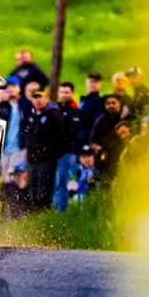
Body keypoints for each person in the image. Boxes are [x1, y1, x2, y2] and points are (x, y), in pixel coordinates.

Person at [21, 88, 65, 210]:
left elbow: (61, 135)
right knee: (33, 186)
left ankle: (44, 210)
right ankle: (34, 211)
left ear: (47, 99)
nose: (38, 100)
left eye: (41, 97)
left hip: (46, 159)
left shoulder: (53, 114)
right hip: (32, 159)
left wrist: (54, 154)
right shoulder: (32, 116)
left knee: (44, 187)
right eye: (35, 98)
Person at [52, 81, 83, 211]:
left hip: (67, 153)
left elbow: (73, 134)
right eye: (62, 92)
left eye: (67, 92)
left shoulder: (75, 111)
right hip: (53, 153)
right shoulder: (54, 109)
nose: (64, 95)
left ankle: (61, 210)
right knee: (55, 182)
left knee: (63, 182)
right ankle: (54, 208)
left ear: (72, 93)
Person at [78, 72, 105, 145]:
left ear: (100, 85)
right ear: (86, 83)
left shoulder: (99, 101)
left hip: (89, 141)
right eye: (91, 81)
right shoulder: (84, 100)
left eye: (96, 82)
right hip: (80, 140)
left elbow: (97, 124)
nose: (93, 84)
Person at [125, 66, 149, 134]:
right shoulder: (135, 93)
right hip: (135, 127)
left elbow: (147, 116)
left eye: (134, 77)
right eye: (129, 77)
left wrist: (143, 133)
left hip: (142, 130)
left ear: (140, 77)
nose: (131, 80)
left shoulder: (146, 93)